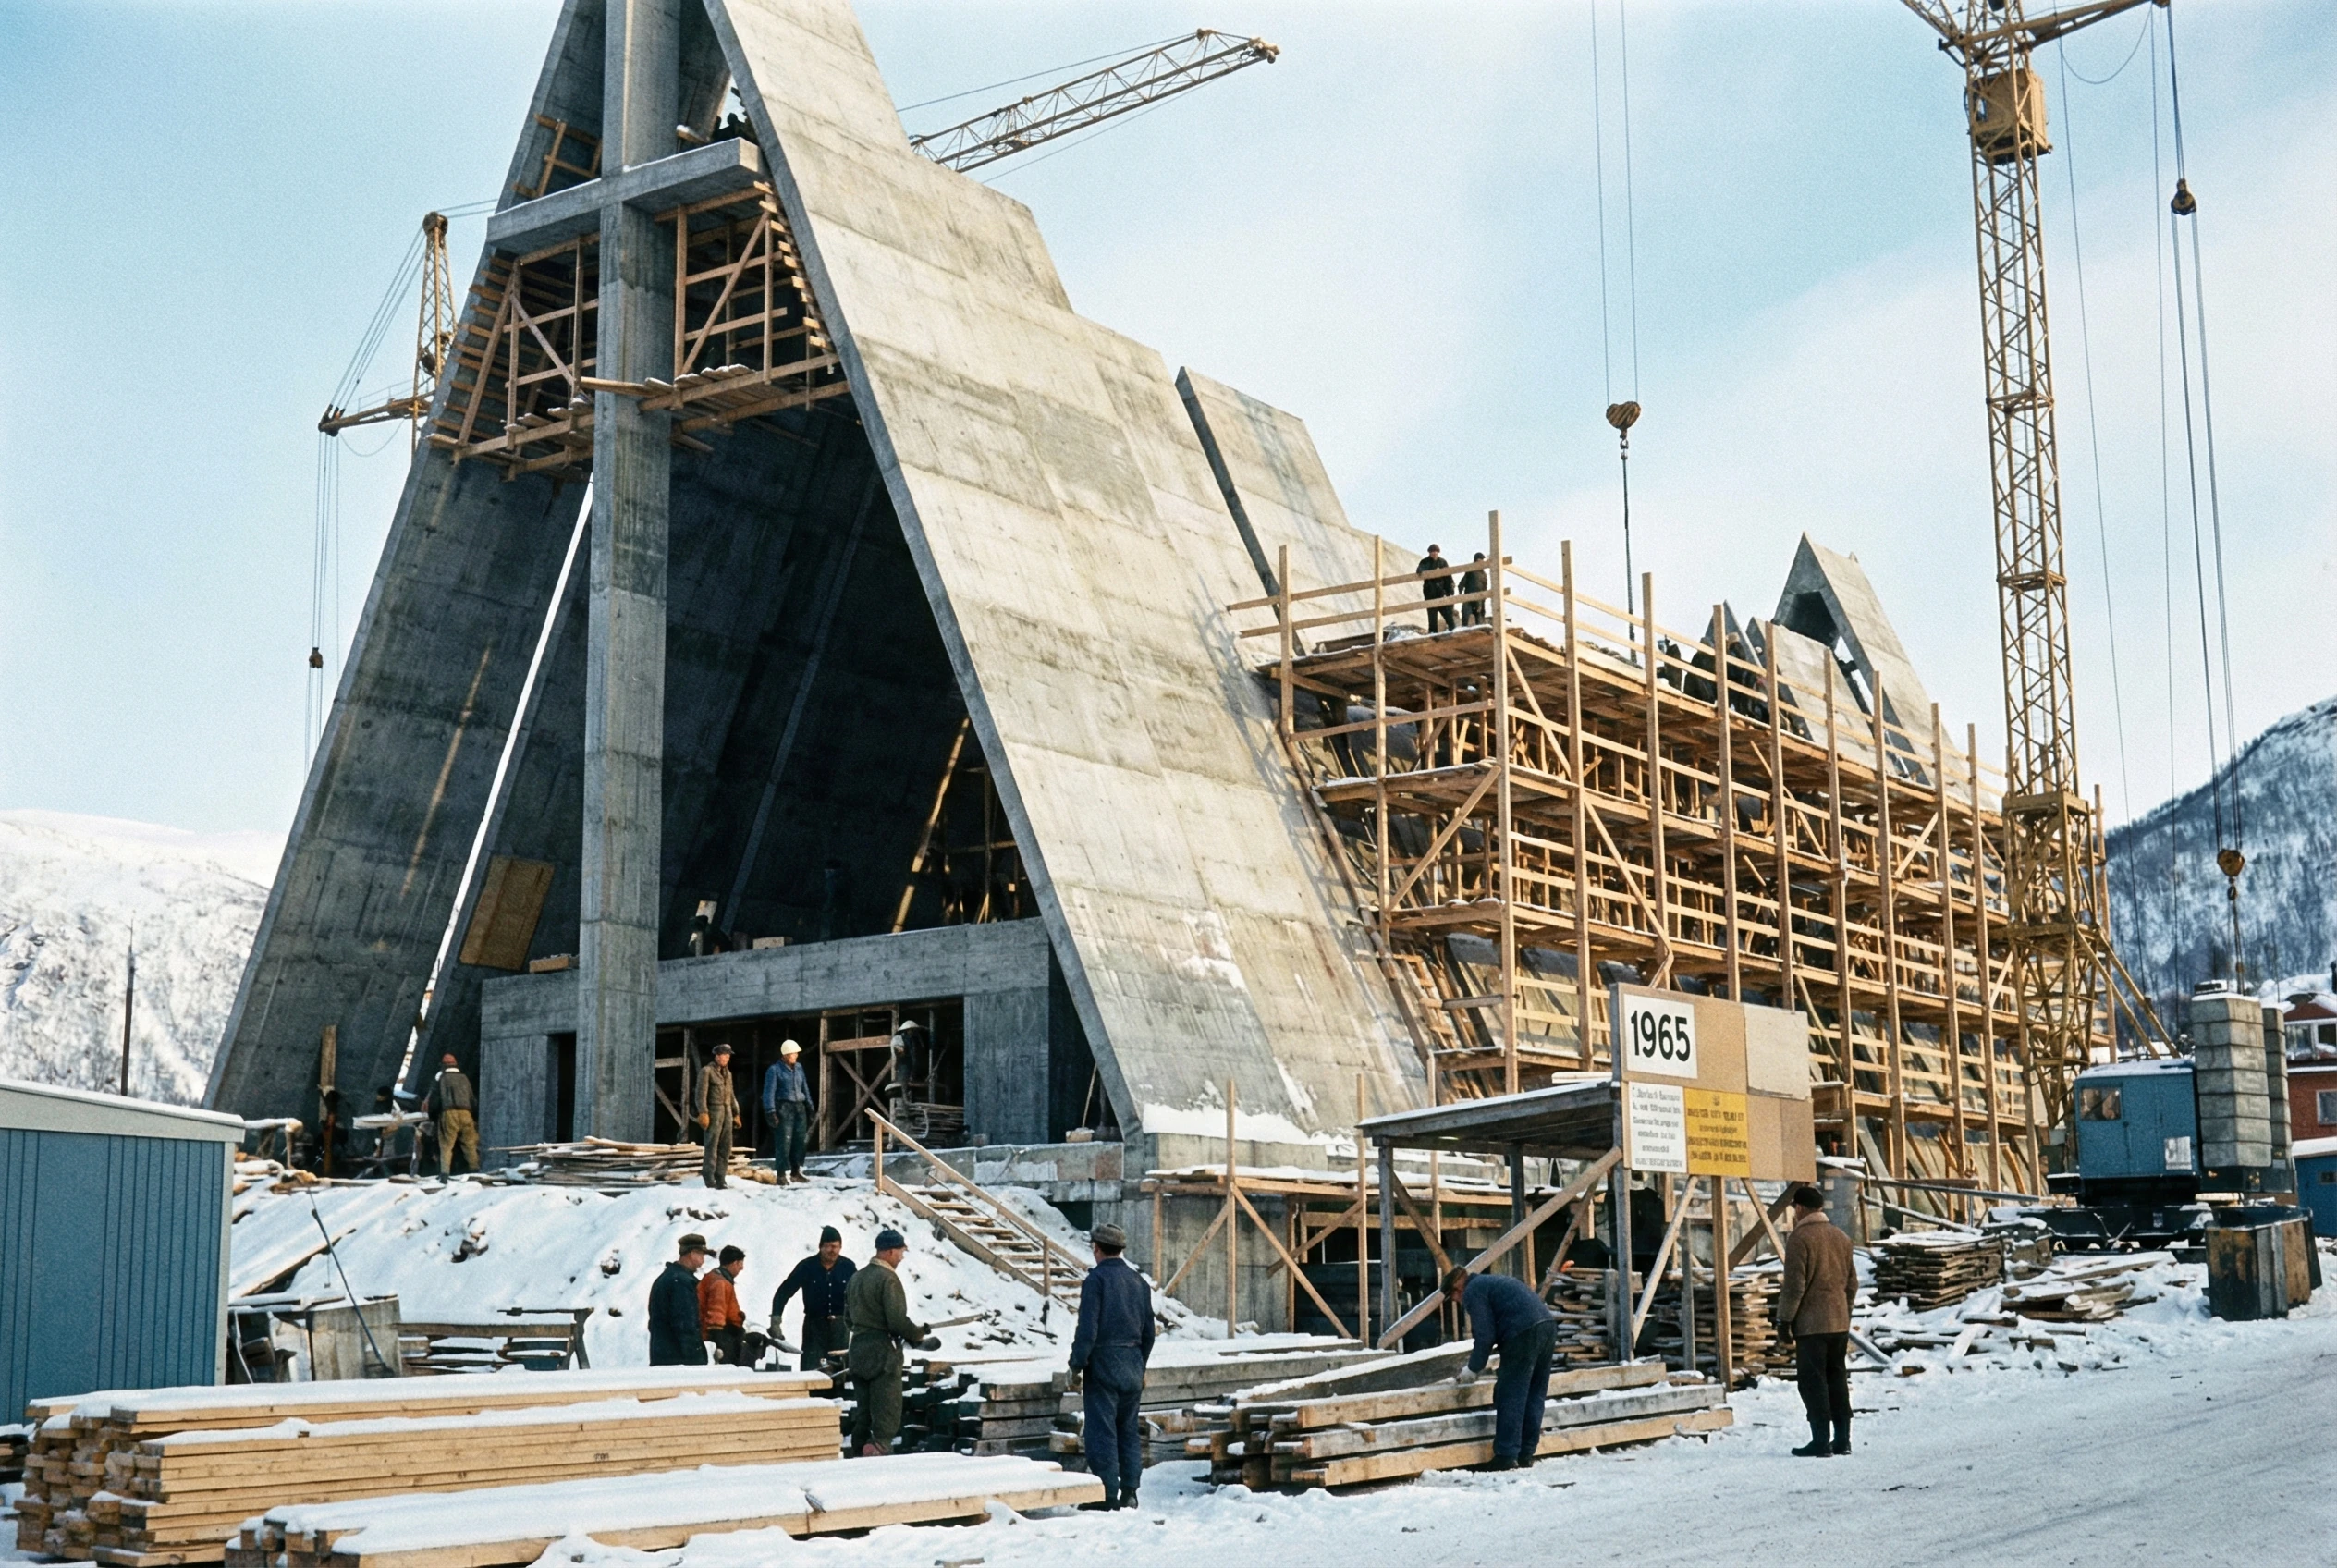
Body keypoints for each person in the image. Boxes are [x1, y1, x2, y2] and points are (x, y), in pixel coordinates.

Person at [1069, 1222, 1155, 1511]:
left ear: (1096, 1248)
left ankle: (1105, 1496)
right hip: (1133, 1365)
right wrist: (1140, 1365)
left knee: (1102, 1431)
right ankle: (1130, 1492)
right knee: (1128, 1430)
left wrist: (1077, 1364)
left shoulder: (1096, 1281)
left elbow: (1087, 1330)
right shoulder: (1139, 1283)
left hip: (1104, 1365)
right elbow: (1149, 1333)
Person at [1443, 1266, 1558, 1470]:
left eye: (1454, 1298)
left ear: (1456, 1289)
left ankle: (1506, 1455)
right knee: (1534, 1393)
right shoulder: (1490, 1282)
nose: (1458, 1302)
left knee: (1510, 1393)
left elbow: (1485, 1335)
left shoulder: (1473, 1291)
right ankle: (1525, 1453)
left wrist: (1473, 1368)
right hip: (1547, 1326)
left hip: (1523, 1331)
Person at [1776, 1183, 1857, 1458]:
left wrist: (1784, 1320)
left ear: (1799, 1208)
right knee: (1837, 1378)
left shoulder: (1800, 1239)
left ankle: (1821, 1441)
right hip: (1839, 1323)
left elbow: (1795, 1286)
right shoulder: (1841, 1237)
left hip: (1811, 1326)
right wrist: (1844, 1312)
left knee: (1813, 1382)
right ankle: (1843, 1439)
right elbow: (1852, 1284)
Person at [843, 1228, 939, 1456]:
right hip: (883, 1353)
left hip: (857, 1350)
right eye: (901, 1252)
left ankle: (857, 1452)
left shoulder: (856, 1277)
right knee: (886, 1411)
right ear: (889, 1251)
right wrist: (916, 1334)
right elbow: (896, 1320)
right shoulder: (888, 1278)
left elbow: (848, 1319)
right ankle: (878, 1455)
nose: (902, 1257)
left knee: (864, 1412)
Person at [770, 1225, 856, 1371]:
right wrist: (776, 1321)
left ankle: (837, 1394)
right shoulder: (807, 1267)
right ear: (820, 1246)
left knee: (839, 1370)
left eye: (836, 1247)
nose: (832, 1250)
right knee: (811, 1368)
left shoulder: (848, 1267)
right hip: (814, 1326)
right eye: (828, 1246)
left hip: (841, 1326)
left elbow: (859, 1295)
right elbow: (783, 1292)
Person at [649, 1233, 711, 1366]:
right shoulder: (682, 1283)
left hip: (663, 1355)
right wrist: (696, 1357)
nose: (703, 1260)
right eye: (701, 1255)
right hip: (679, 1359)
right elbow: (685, 1324)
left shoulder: (666, 1278)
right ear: (692, 1253)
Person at [763, 1039, 812, 1183]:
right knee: (784, 1141)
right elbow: (768, 1092)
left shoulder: (799, 1068)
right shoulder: (774, 1070)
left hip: (799, 1107)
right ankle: (781, 1174)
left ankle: (796, 1172)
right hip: (784, 1108)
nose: (794, 1056)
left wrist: (810, 1106)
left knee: (799, 1141)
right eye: (791, 1054)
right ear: (784, 1055)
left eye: (796, 1053)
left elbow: (805, 1088)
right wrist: (771, 1111)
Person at [423, 1053, 480, 1175]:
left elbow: (435, 1100)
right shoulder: (464, 1078)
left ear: (443, 1066)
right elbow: (472, 1099)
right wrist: (474, 1116)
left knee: (446, 1145)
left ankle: (444, 1174)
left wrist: (432, 1116)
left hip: (449, 1113)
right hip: (466, 1113)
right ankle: (475, 1170)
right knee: (470, 1144)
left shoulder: (442, 1079)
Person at [695, 1043, 741, 1188]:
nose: (727, 1058)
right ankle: (709, 1178)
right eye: (724, 1055)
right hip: (714, 1112)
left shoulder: (728, 1074)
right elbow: (700, 1095)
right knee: (712, 1145)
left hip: (727, 1111)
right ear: (717, 1056)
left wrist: (736, 1113)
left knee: (726, 1146)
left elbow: (731, 1094)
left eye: (728, 1056)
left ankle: (720, 1178)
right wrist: (703, 1112)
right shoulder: (707, 1071)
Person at [700, 1243, 749, 1364]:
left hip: (721, 1332)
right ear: (734, 1263)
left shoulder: (713, 1278)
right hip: (723, 1334)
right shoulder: (720, 1283)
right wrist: (719, 1342)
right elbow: (716, 1312)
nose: (741, 1268)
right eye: (740, 1263)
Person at [1418, 544, 1456, 631]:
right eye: (1432, 552)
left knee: (1448, 615)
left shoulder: (1443, 562)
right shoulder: (1425, 562)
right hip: (1430, 592)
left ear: (1438, 552)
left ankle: (1453, 631)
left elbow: (1448, 577)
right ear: (1429, 553)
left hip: (1441, 592)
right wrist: (1427, 571)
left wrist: (1450, 591)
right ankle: (1433, 635)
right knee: (1432, 618)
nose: (1434, 553)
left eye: (1435, 552)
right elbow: (1419, 570)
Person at [1459, 552, 1489, 625]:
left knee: (1479, 617)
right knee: (1465, 615)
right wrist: (1460, 592)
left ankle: (1480, 630)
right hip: (1469, 597)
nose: (1481, 562)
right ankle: (1464, 629)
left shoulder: (1483, 574)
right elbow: (1463, 582)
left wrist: (1483, 600)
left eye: (1482, 561)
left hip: (1479, 599)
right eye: (1479, 560)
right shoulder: (1470, 571)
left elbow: (1485, 587)